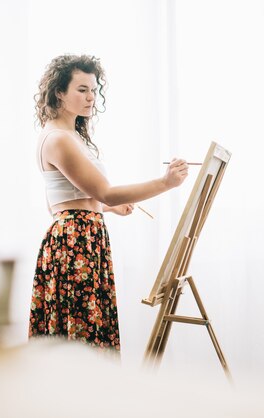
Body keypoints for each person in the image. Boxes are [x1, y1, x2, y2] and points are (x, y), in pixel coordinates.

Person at [28, 54, 188, 356]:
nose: (91, 97)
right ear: (59, 92)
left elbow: (78, 196)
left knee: (85, 332)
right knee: (82, 337)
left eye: (94, 89)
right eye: (82, 89)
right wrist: (165, 183)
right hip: (75, 242)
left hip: (80, 236)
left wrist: (107, 209)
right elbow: (106, 192)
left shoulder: (67, 135)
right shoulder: (59, 139)